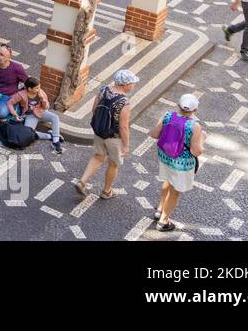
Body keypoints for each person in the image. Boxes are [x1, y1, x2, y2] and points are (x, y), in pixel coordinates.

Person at [76, 69, 139, 200]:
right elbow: (123, 127)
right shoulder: (124, 102)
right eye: (132, 83)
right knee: (113, 163)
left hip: (99, 131)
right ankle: (106, 191)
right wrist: (126, 146)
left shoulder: (103, 90)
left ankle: (82, 181)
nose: (133, 85)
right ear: (125, 84)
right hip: (114, 137)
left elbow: (94, 109)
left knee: (98, 156)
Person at [152, 93, 206, 232]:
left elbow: (154, 134)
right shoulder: (194, 126)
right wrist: (202, 139)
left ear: (178, 105)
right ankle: (163, 221)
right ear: (195, 110)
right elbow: (196, 151)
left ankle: (159, 209)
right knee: (175, 191)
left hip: (165, 157)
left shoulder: (167, 116)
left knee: (168, 180)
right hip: (181, 164)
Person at [6, 78, 64, 154]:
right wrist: (15, 114)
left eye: (39, 87)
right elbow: (9, 103)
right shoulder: (21, 94)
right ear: (30, 89)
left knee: (55, 117)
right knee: (28, 134)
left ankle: (56, 142)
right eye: (37, 88)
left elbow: (46, 107)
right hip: (30, 116)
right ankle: (51, 136)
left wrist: (42, 99)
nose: (39, 89)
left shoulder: (40, 92)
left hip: (41, 112)